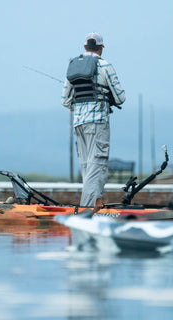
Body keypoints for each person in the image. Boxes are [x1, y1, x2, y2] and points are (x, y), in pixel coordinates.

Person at [61, 32, 125, 213]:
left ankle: (94, 204)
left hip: (79, 124)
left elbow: (65, 101)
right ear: (101, 48)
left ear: (84, 47)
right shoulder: (105, 65)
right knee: (97, 167)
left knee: (87, 168)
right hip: (97, 123)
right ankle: (88, 211)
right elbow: (121, 98)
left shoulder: (72, 67)